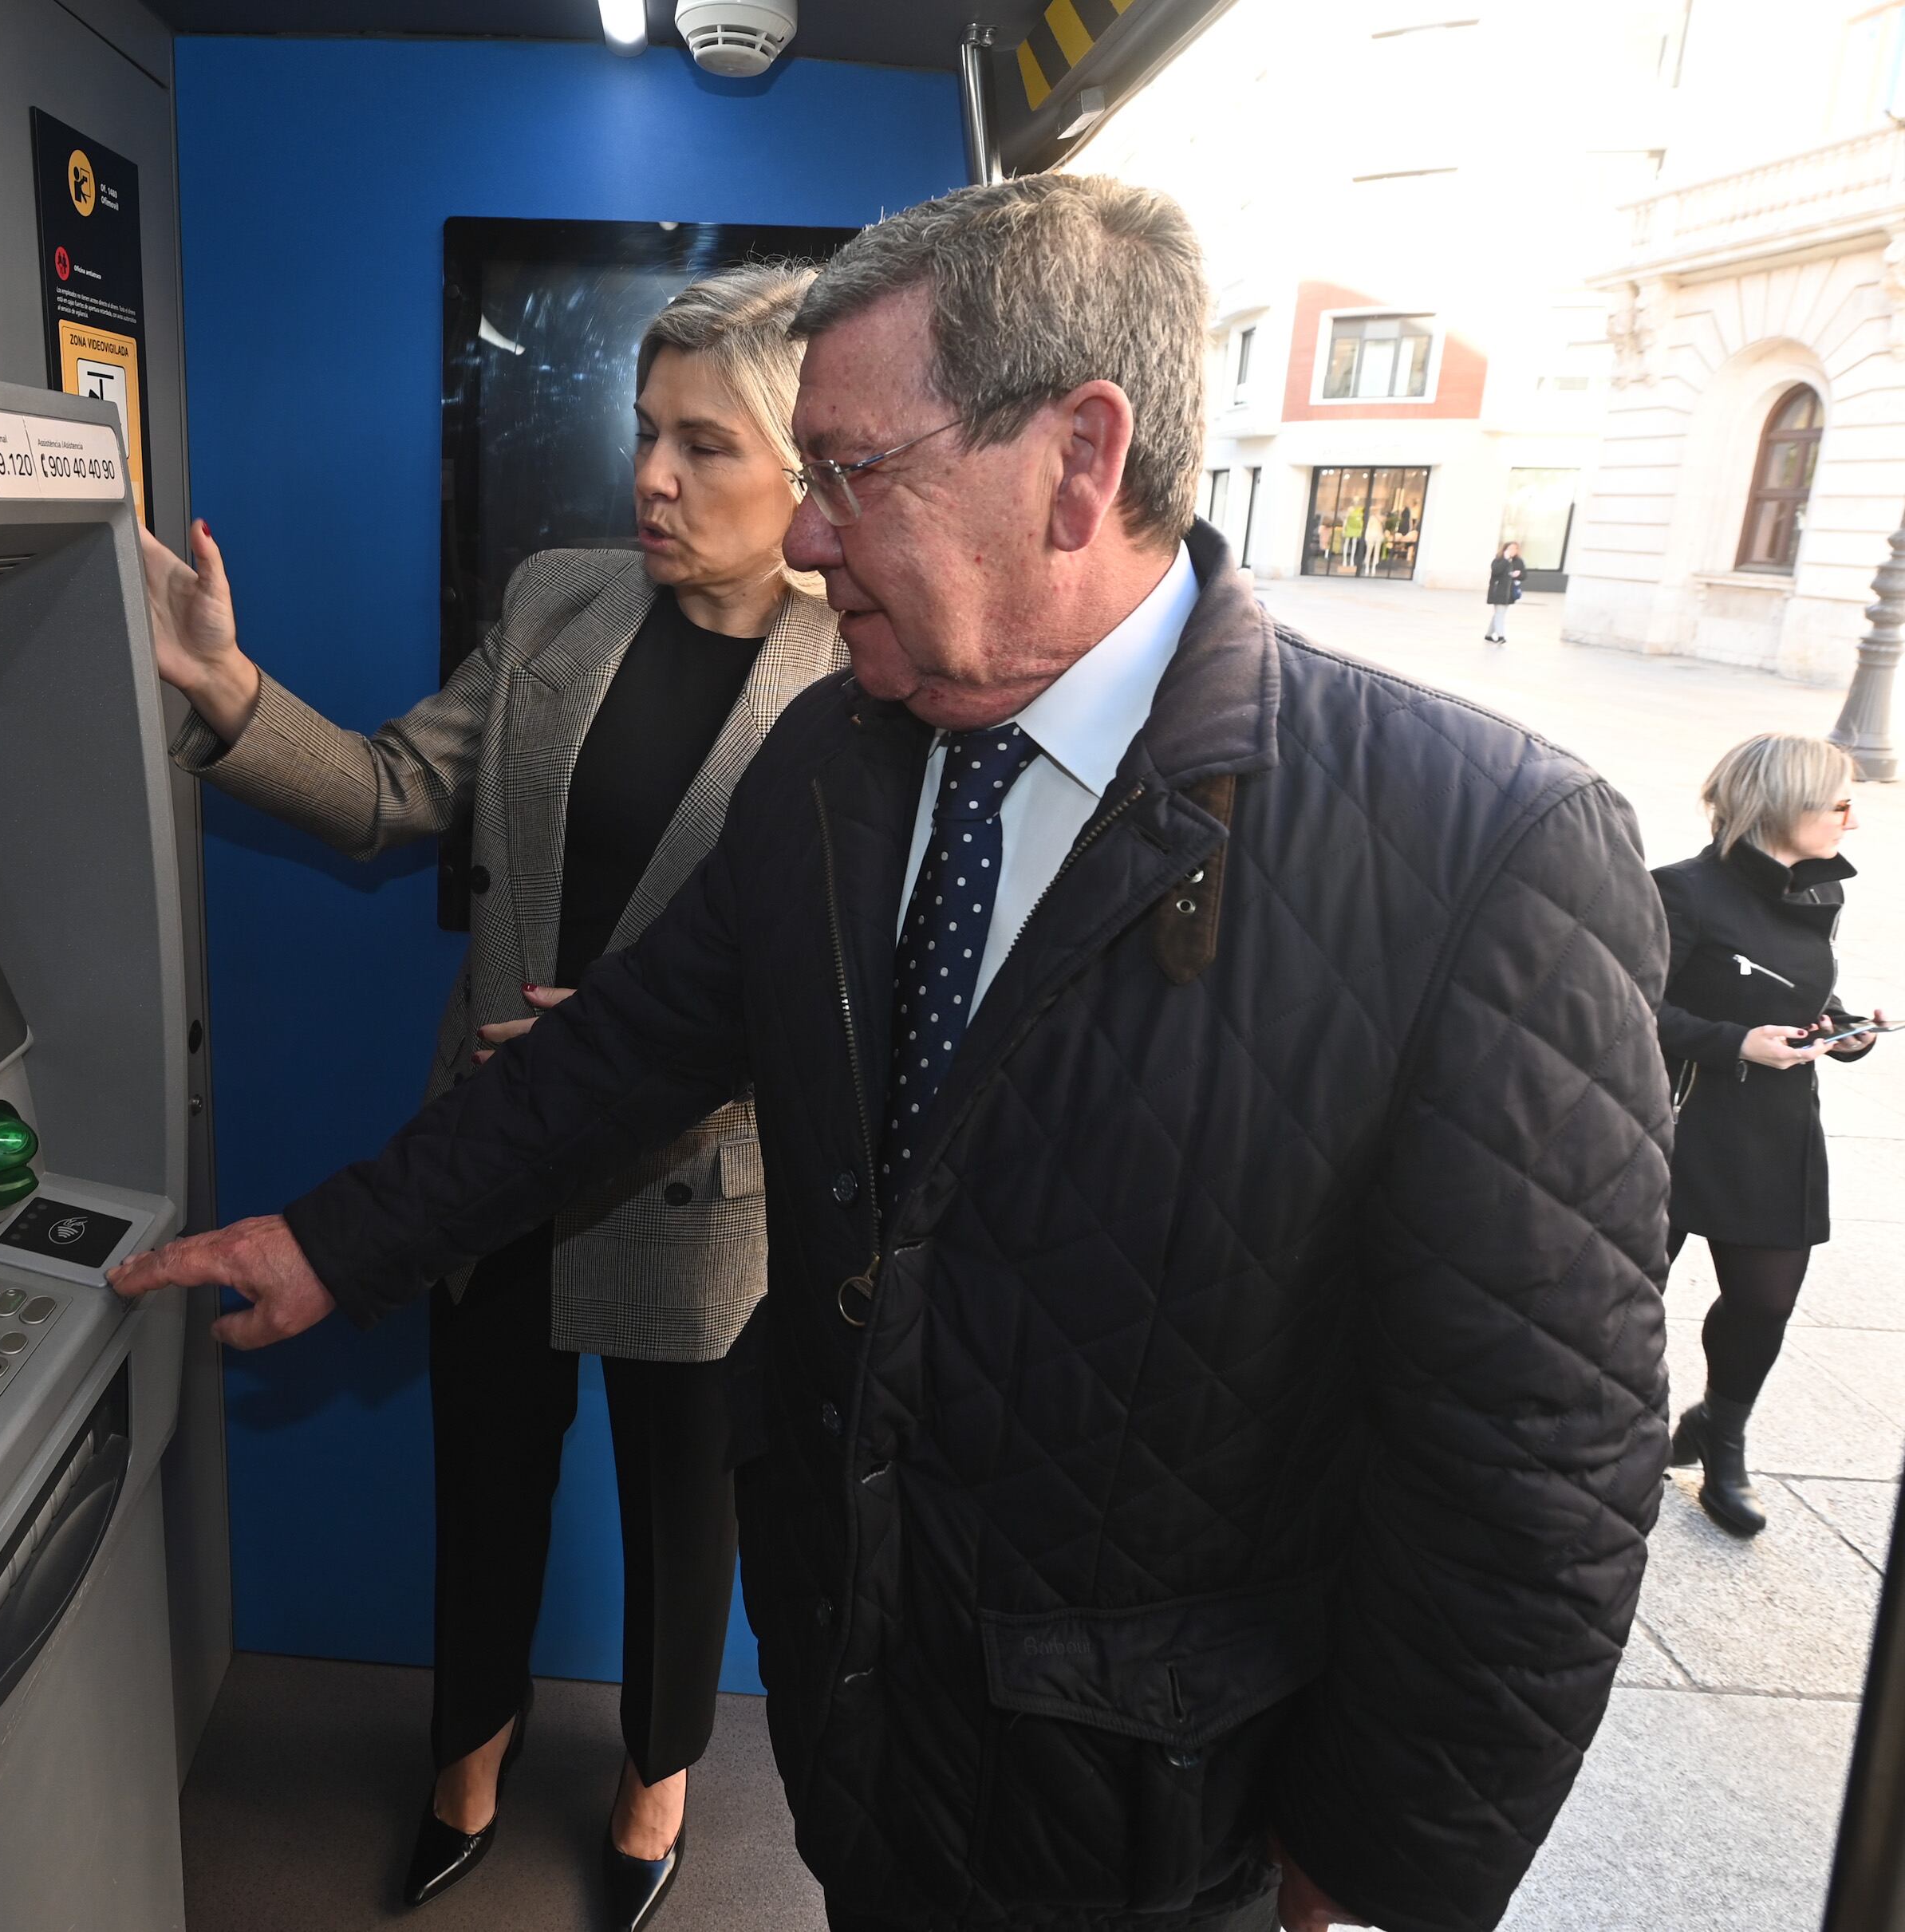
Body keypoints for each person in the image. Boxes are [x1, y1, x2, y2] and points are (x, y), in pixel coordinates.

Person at [120, 175, 1673, 1932]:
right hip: (869, 1742)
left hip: (1169, 1834)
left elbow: (1535, 1469)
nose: (801, 536)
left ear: (1078, 461)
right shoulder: (839, 770)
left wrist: (1376, 1871)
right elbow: (606, 1059)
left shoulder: (1480, 846)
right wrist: (335, 1239)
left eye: (849, 472)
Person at [140, 263, 844, 1930]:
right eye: (643, 435)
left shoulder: (860, 681)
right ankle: (469, 1749)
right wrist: (232, 695)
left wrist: (652, 1034)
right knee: (485, 1466)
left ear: (806, 472)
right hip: (490, 1156)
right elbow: (396, 785)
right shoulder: (557, 600)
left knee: (688, 1514)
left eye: (704, 445)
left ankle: (656, 1777)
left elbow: (844, 987)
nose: (652, 479)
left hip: (696, 1181)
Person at [1655, 734, 1880, 1537]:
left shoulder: (1818, 892)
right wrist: (1731, 1042)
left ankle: (1718, 1431)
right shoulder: (1677, 892)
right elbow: (1621, 1002)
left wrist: (1838, 1028)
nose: (1851, 822)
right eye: (1838, 804)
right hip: (1672, 1117)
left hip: (1770, 1122)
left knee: (1763, 1299)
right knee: (1625, 1290)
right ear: (1783, 807)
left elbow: (1791, 984)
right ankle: (1605, 1428)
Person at [1485, 541, 1524, 642]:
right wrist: (1506, 560)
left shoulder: (1518, 561)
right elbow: (1496, 571)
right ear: (1505, 550)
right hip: (1498, 591)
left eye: (1515, 549)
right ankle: (1501, 636)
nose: (1513, 551)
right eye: (1510, 548)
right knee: (1500, 614)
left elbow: (1524, 575)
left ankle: (1489, 635)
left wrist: (1518, 575)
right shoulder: (1499, 560)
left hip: (1510, 593)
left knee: (1499, 614)